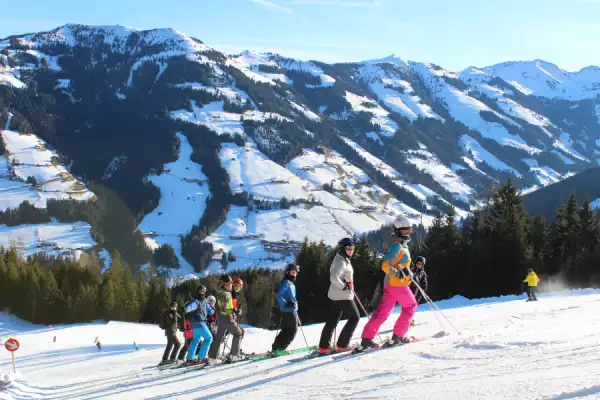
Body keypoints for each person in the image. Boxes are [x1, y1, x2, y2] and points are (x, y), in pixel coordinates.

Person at [361, 216, 417, 348]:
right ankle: (398, 336)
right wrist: (398, 273)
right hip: (397, 284)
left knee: (383, 312)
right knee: (410, 306)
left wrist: (407, 271)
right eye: (405, 231)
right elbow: (385, 265)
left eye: (409, 230)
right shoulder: (397, 246)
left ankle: (367, 338)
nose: (408, 233)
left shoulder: (400, 244)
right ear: (398, 231)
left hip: (391, 284)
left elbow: (399, 264)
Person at [318, 237, 360, 354]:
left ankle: (324, 346)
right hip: (343, 295)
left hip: (337, 295)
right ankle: (342, 344)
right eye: (348, 248)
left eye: (352, 248)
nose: (351, 250)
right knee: (355, 317)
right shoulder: (341, 262)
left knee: (333, 320)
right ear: (342, 248)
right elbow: (333, 278)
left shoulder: (342, 259)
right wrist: (344, 286)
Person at [208, 275, 245, 362]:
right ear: (224, 285)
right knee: (238, 333)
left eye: (231, 283)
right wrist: (234, 310)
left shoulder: (220, 293)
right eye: (228, 284)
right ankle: (234, 355)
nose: (230, 285)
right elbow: (224, 309)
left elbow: (220, 308)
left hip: (221, 320)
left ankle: (212, 358)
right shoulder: (226, 294)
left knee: (219, 338)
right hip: (228, 319)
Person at [271, 263, 300, 354]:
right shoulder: (286, 282)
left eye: (295, 272)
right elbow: (278, 295)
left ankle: (276, 347)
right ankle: (281, 348)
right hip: (289, 310)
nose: (294, 274)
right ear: (287, 272)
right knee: (293, 331)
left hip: (290, 310)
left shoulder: (290, 283)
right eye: (292, 272)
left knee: (286, 330)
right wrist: (286, 304)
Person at [184, 285, 214, 365]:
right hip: (199, 323)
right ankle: (201, 358)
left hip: (194, 324)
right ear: (198, 291)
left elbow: (211, 312)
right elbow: (187, 308)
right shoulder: (196, 301)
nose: (202, 292)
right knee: (209, 338)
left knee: (195, 340)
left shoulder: (204, 301)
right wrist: (186, 308)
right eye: (201, 290)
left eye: (204, 290)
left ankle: (189, 359)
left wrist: (212, 307)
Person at [161, 301, 181, 365]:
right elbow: (174, 322)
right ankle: (172, 358)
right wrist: (175, 312)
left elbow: (176, 322)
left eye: (175, 307)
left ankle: (165, 359)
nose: (174, 308)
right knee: (178, 344)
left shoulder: (170, 313)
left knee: (170, 345)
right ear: (171, 306)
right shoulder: (169, 314)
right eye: (173, 306)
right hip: (171, 331)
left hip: (170, 331)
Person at [410, 256, 428, 326]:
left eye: (421, 264)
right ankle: (405, 319)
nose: (419, 265)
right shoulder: (412, 270)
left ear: (423, 265)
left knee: (414, 306)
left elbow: (424, 282)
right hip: (410, 290)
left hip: (418, 292)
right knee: (408, 306)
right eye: (418, 263)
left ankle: (411, 318)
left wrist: (424, 289)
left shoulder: (423, 273)